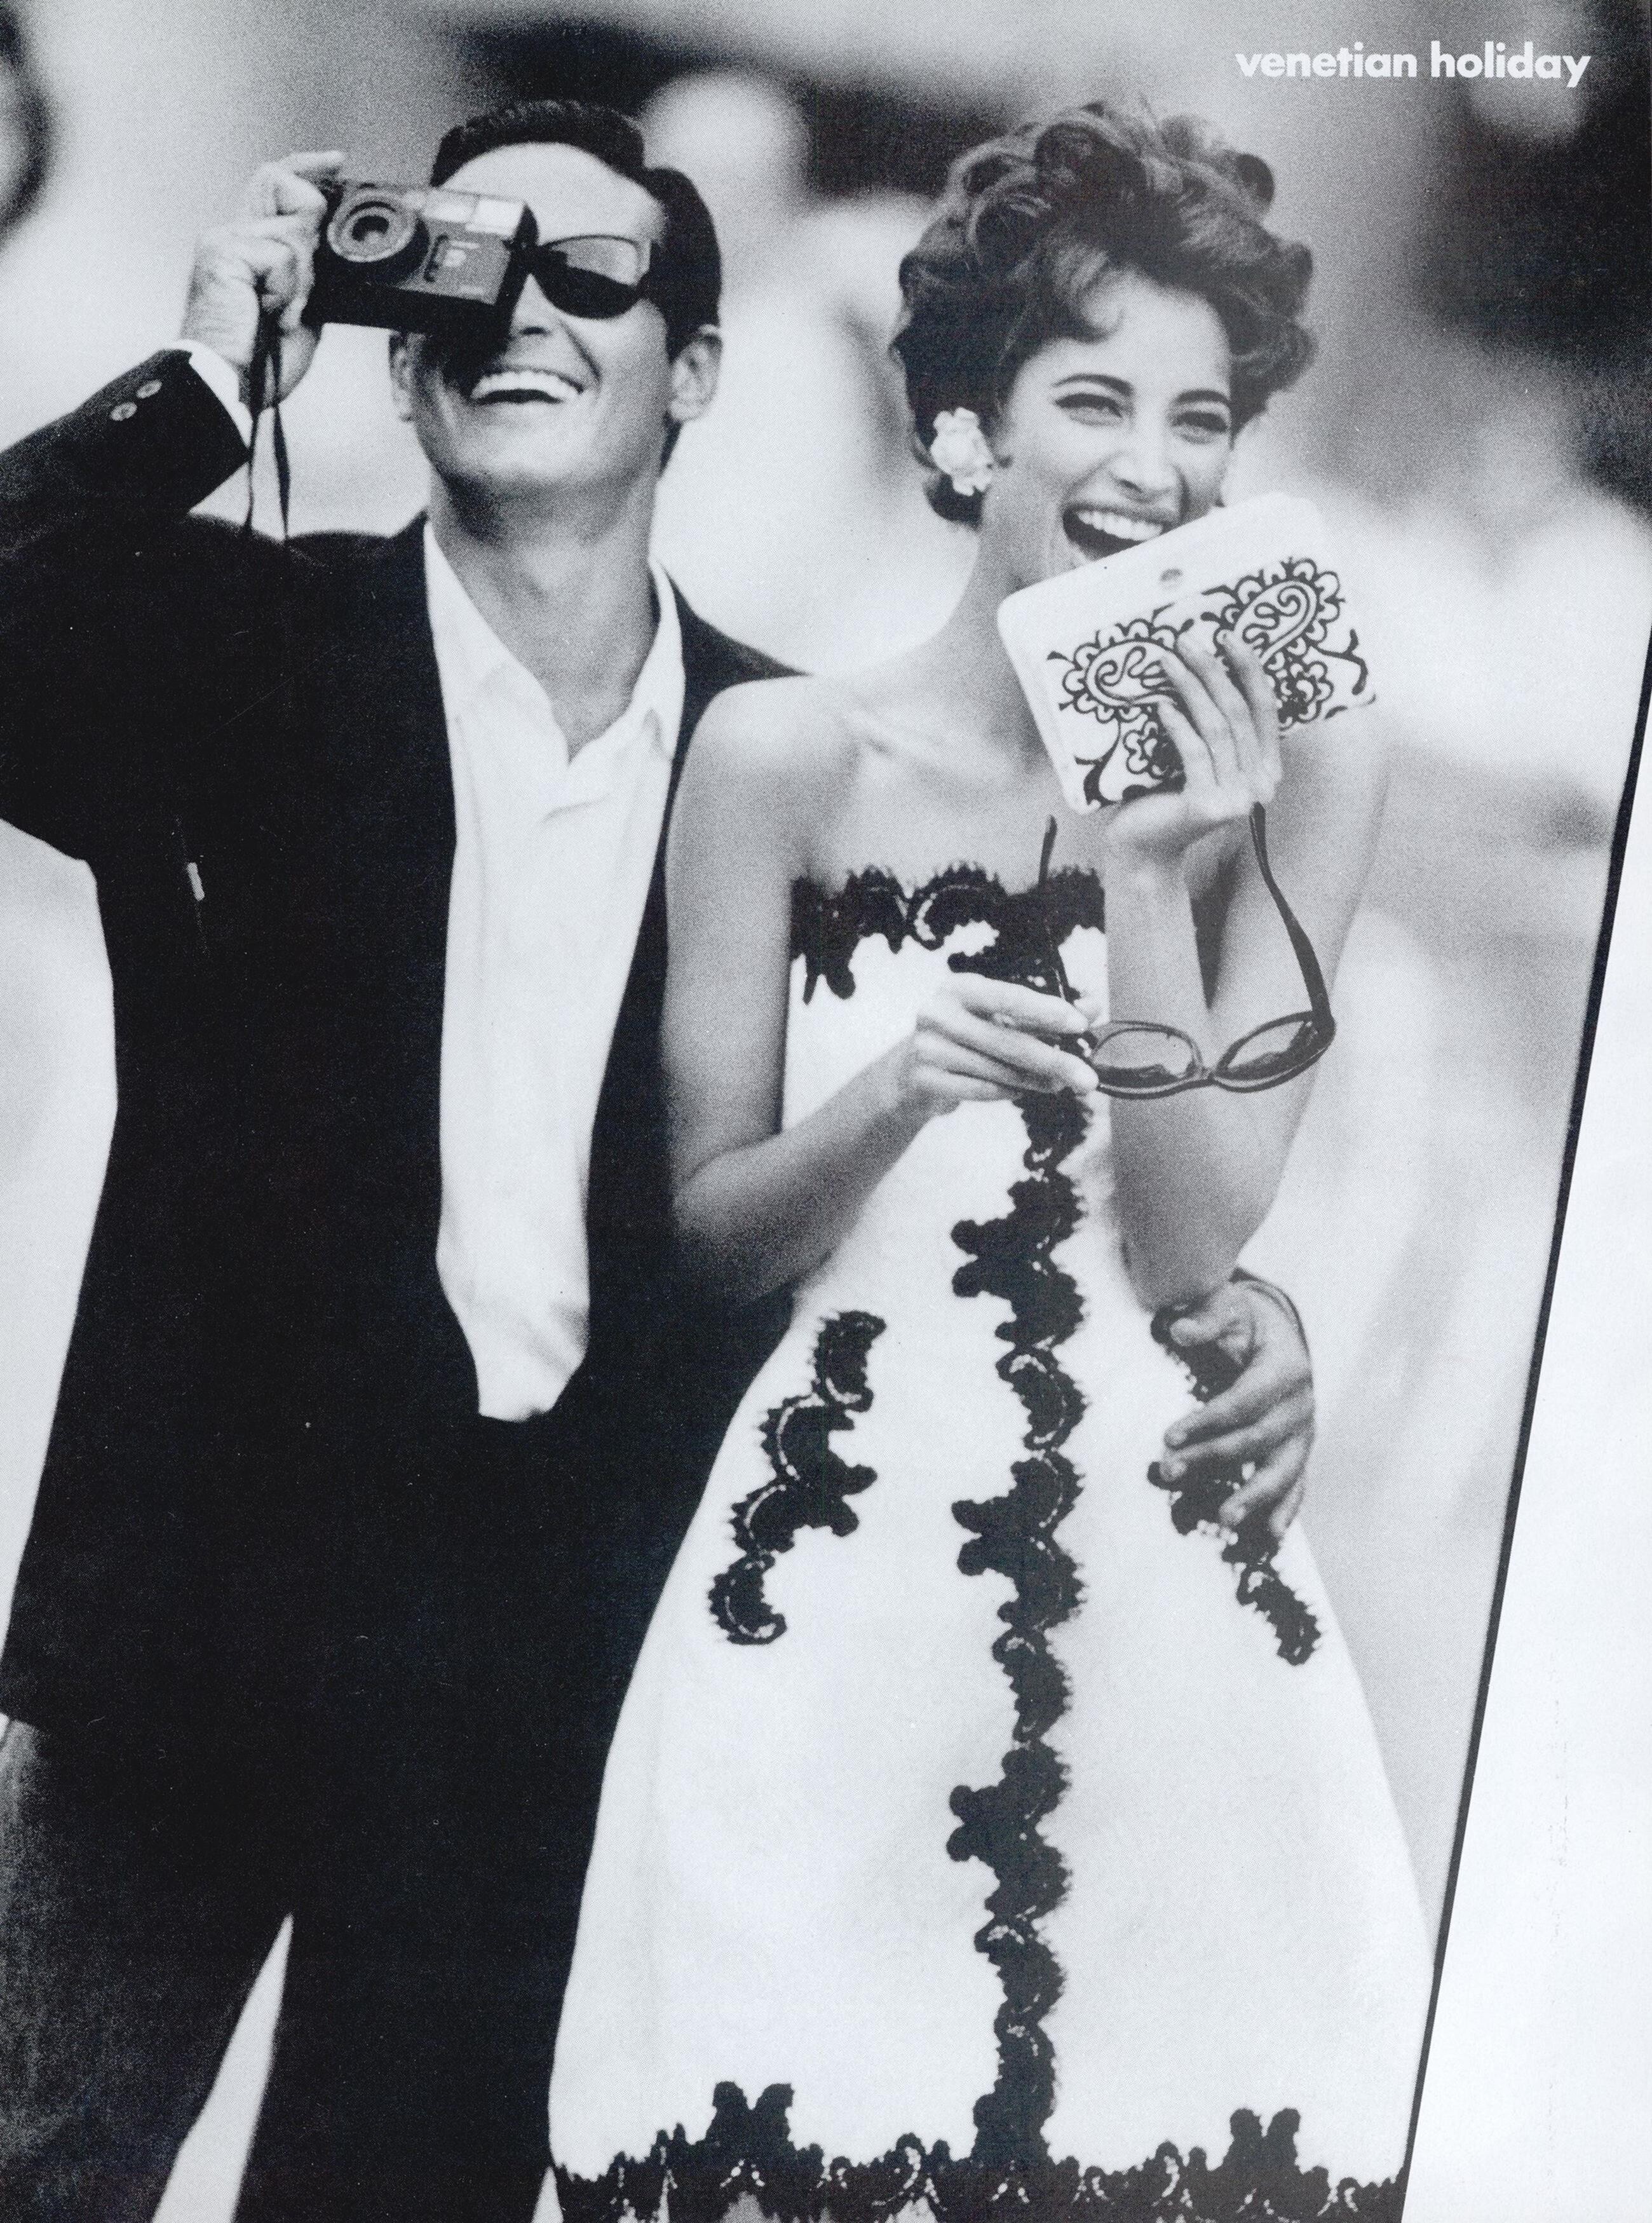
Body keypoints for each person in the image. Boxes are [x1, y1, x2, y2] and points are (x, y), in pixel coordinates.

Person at [0, 94, 1313, 2223]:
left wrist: (1247, 1309)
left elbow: (981, 1158)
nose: (520, 311)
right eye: (463, 268)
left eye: (590, 273)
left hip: (545, 1683)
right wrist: (203, 382)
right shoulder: (243, 647)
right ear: (396, 356)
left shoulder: (790, 759)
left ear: (696, 368)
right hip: (193, 1630)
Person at [548, 105, 1432, 2223]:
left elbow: (1195, 1237)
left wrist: (1146, 871)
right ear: (967, 427)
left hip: (1163, 1596)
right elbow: (707, 1237)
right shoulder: (784, 755)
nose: (1155, 464)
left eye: (1201, 417)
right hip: (834, 1594)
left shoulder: (1313, 766)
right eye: (1095, 398)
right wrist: (893, 1092)